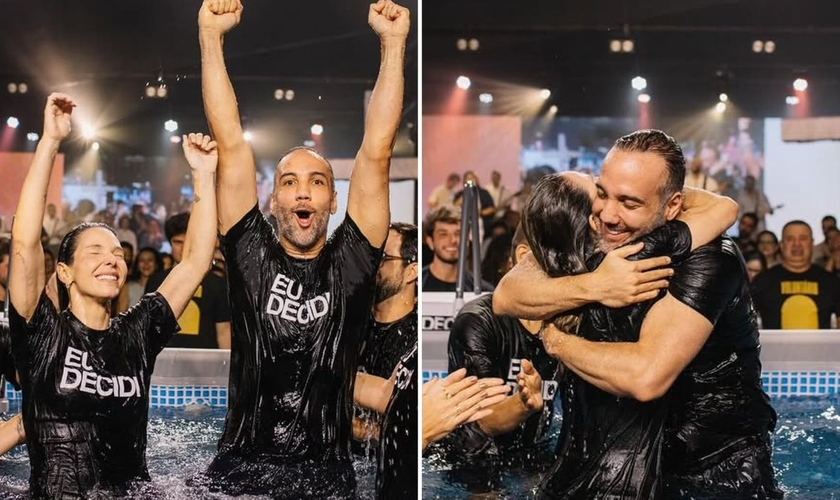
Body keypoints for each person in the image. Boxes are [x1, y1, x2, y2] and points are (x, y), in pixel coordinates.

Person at [196, 0, 409, 497]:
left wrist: (394, 44)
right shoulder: (249, 255)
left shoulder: (352, 262)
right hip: (238, 473)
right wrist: (210, 36)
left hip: (326, 478)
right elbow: (230, 142)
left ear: (334, 200)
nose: (303, 192)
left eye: (317, 182)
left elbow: (377, 151)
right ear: (273, 201)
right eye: (289, 182)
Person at [495, 130, 781, 499]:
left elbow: (646, 377)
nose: (608, 215)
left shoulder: (711, 260)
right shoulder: (598, 234)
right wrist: (597, 285)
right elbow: (507, 295)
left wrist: (554, 339)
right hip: (620, 463)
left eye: (629, 202)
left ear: (672, 206)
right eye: (603, 193)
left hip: (716, 471)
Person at [8, 93, 219, 498]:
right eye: (95, 252)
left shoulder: (137, 334)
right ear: (64, 272)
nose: (112, 260)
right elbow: (24, 243)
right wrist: (51, 142)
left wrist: (204, 176)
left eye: (118, 254)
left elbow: (194, 262)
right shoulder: (41, 333)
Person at [355, 223, 418, 444]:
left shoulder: (415, 342)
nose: (373, 264)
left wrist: (343, 426)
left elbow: (407, 431)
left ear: (411, 271)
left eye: (383, 257)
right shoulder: (349, 321)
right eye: (372, 254)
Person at [145, 213, 231, 349]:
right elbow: (148, 327)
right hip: (165, 358)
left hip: (206, 359)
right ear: (170, 243)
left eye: (188, 242)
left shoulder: (217, 283)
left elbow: (223, 330)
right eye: (177, 242)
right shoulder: (156, 281)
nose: (183, 248)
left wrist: (225, 360)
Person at [751, 220, 840, 329]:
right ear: (781, 245)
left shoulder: (831, 281)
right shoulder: (762, 281)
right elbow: (743, 324)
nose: (797, 244)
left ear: (812, 243)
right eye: (790, 239)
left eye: (803, 238)